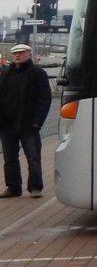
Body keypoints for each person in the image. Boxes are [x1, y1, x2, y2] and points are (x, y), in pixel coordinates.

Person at [0, 44, 52, 198]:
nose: (17, 56)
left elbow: (45, 99)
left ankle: (35, 187)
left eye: (21, 53)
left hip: (28, 123)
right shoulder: (6, 74)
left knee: (33, 156)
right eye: (15, 53)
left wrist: (38, 121)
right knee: (9, 158)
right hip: (7, 123)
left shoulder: (37, 73)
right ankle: (13, 188)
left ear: (28, 54)